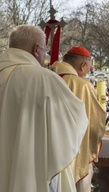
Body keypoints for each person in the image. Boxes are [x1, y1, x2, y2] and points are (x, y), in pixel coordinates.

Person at [0, 25, 88, 192]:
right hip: (30, 170)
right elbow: (75, 121)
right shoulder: (44, 78)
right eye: (45, 52)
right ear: (36, 49)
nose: (45, 57)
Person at [51, 46, 106, 192]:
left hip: (47, 145)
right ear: (83, 65)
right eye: (89, 66)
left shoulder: (46, 76)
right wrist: (95, 142)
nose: (90, 69)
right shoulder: (82, 85)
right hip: (73, 149)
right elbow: (95, 121)